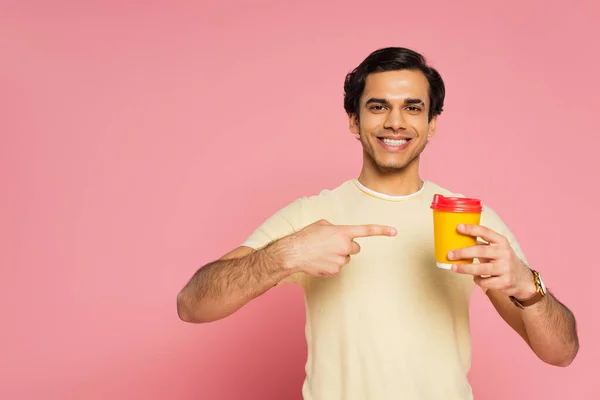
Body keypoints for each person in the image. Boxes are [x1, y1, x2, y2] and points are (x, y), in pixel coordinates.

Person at [176, 47, 579, 399]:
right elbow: (192, 305)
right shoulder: (310, 215)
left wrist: (528, 284)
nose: (396, 122)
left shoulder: (469, 219)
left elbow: (561, 353)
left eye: (413, 107)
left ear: (432, 124)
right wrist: (287, 253)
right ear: (354, 121)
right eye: (378, 106)